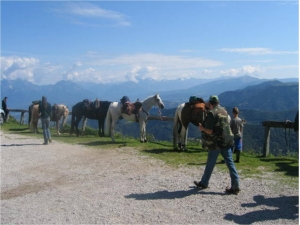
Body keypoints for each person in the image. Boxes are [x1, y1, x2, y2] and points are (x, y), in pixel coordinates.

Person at [194, 95, 240, 194]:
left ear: (210, 103)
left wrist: (202, 129)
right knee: (230, 163)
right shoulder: (224, 111)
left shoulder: (211, 113)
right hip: (227, 141)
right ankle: (236, 185)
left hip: (216, 143)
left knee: (210, 163)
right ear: (218, 102)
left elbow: (210, 131)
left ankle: (204, 182)